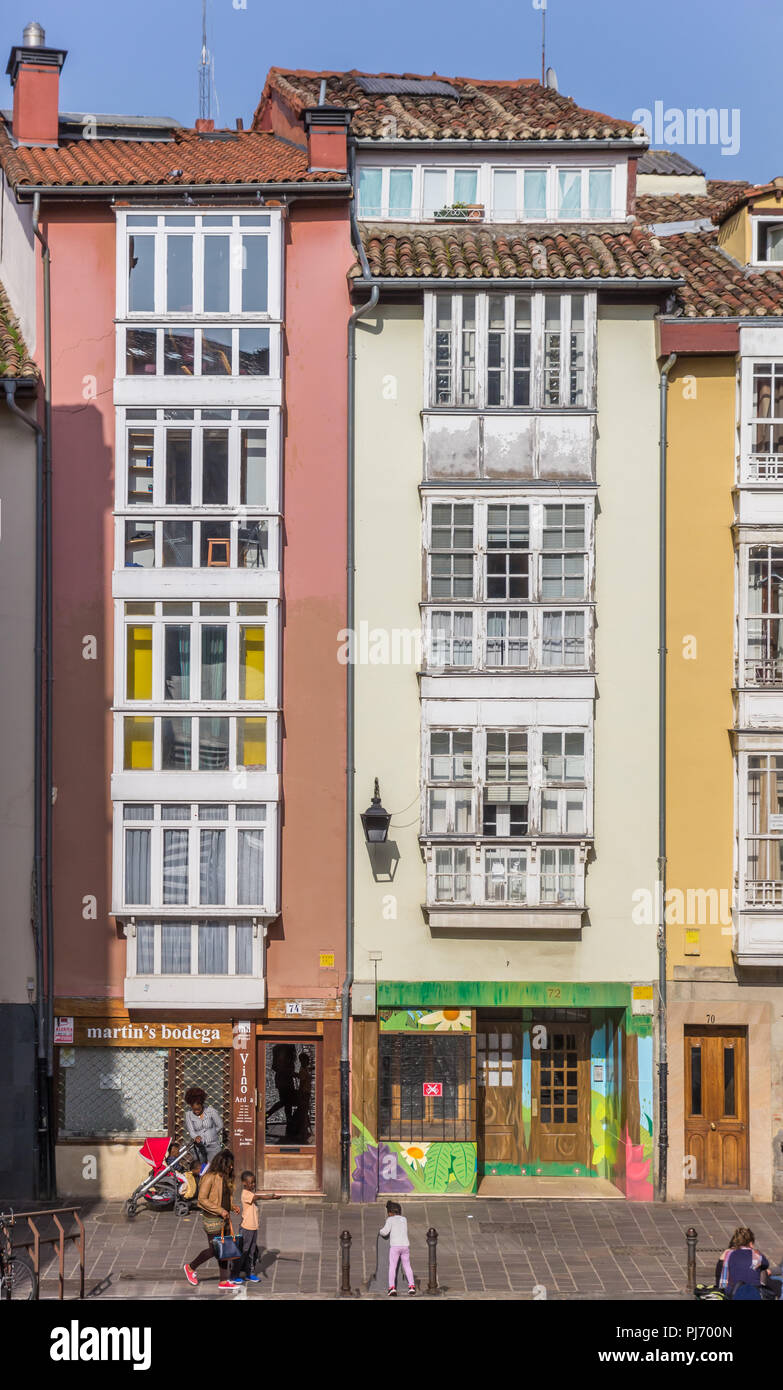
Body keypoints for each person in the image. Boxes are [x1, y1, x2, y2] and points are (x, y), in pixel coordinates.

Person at [183, 1149, 242, 1290]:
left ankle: (223, 1281)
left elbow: (224, 1197)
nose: (231, 1167)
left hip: (225, 1217)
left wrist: (232, 1206)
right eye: (229, 1164)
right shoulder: (209, 1177)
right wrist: (220, 1210)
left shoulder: (227, 1177)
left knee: (224, 1248)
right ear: (222, 1163)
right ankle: (190, 1267)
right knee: (215, 1250)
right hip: (213, 1219)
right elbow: (202, 1200)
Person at [236, 1170, 279, 1282]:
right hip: (246, 1229)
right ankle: (235, 1274)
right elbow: (257, 1197)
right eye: (251, 1183)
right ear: (244, 1183)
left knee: (251, 1252)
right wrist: (271, 1197)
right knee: (244, 1251)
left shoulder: (251, 1194)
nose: (253, 1184)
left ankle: (249, 1273)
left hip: (254, 1229)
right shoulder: (246, 1194)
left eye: (254, 1182)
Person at [716, 1227, 771, 1300]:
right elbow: (766, 1265)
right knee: (777, 1281)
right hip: (754, 1291)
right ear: (750, 1243)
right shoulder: (756, 1254)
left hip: (732, 1291)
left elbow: (719, 1275)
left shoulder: (728, 1253)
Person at [379, 1200, 416, 1296]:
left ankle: (392, 1288)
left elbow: (385, 1232)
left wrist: (380, 1231)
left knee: (392, 1267)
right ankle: (411, 1286)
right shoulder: (404, 1219)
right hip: (405, 1246)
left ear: (390, 1213)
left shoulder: (390, 1219)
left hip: (395, 1247)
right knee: (407, 1266)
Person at [184, 1086, 223, 1162]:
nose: (196, 1112)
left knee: (214, 1167)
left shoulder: (211, 1111)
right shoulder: (188, 1115)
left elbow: (220, 1125)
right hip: (199, 1147)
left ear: (201, 1104)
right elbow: (191, 1131)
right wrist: (196, 1137)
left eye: (198, 1109)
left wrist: (212, 1133)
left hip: (213, 1146)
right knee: (200, 1168)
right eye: (194, 1109)